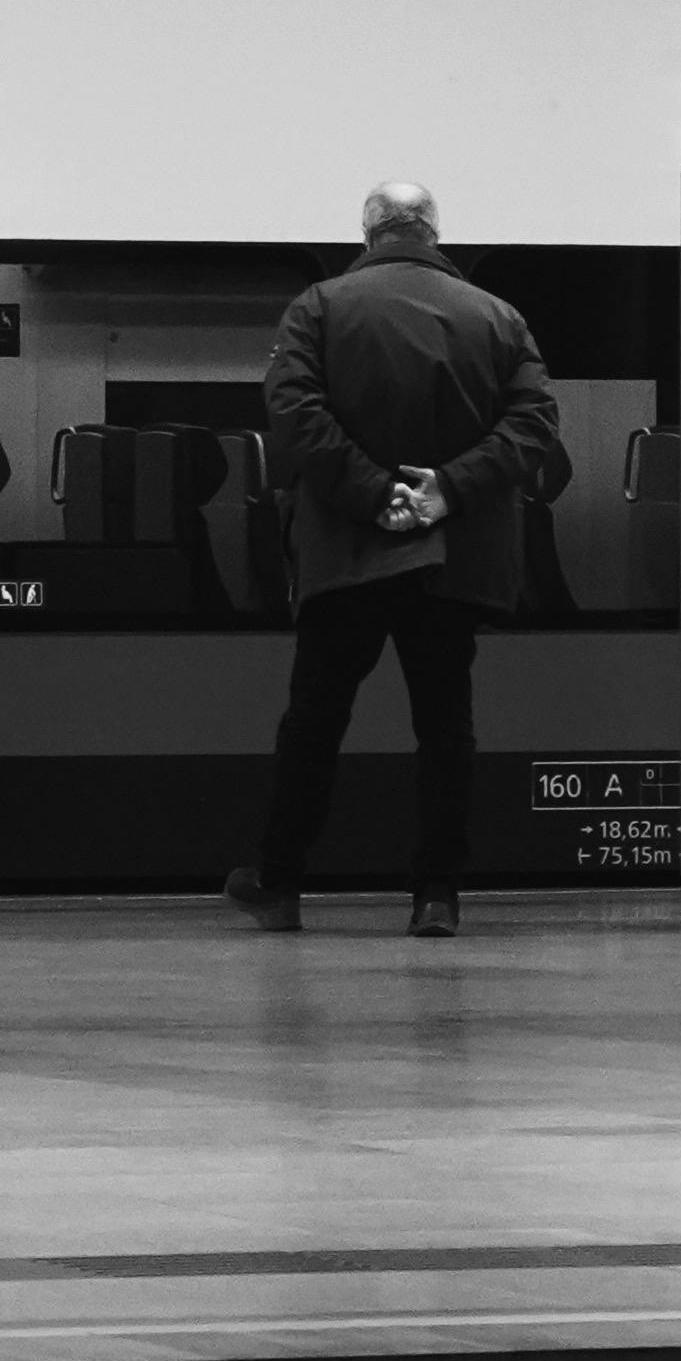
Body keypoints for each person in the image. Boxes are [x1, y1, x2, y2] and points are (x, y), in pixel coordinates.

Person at [230, 180, 568, 938]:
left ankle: (279, 884)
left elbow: (293, 414)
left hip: (349, 554)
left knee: (314, 721)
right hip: (454, 557)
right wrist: (444, 491)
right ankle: (436, 895)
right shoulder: (499, 316)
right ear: (434, 231)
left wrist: (374, 494)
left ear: (369, 229)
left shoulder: (318, 307)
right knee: (446, 726)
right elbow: (534, 423)